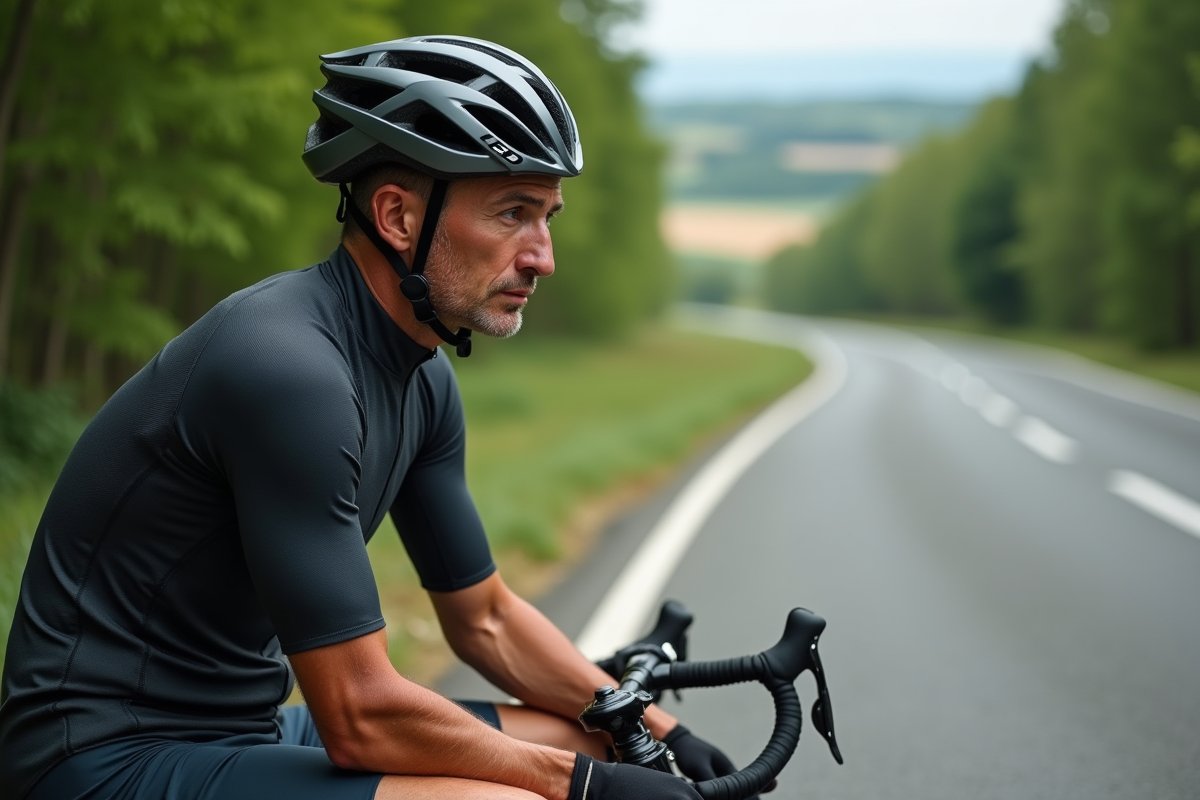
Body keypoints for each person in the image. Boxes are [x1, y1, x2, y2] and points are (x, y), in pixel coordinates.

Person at [0, 36, 746, 800]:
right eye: (513, 213)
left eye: (547, 215)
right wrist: (582, 786)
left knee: (597, 740)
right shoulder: (288, 369)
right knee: (528, 795)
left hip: (245, 730)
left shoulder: (420, 378)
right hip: (101, 760)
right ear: (396, 215)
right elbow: (360, 715)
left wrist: (658, 731)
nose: (542, 256)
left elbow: (483, 618)